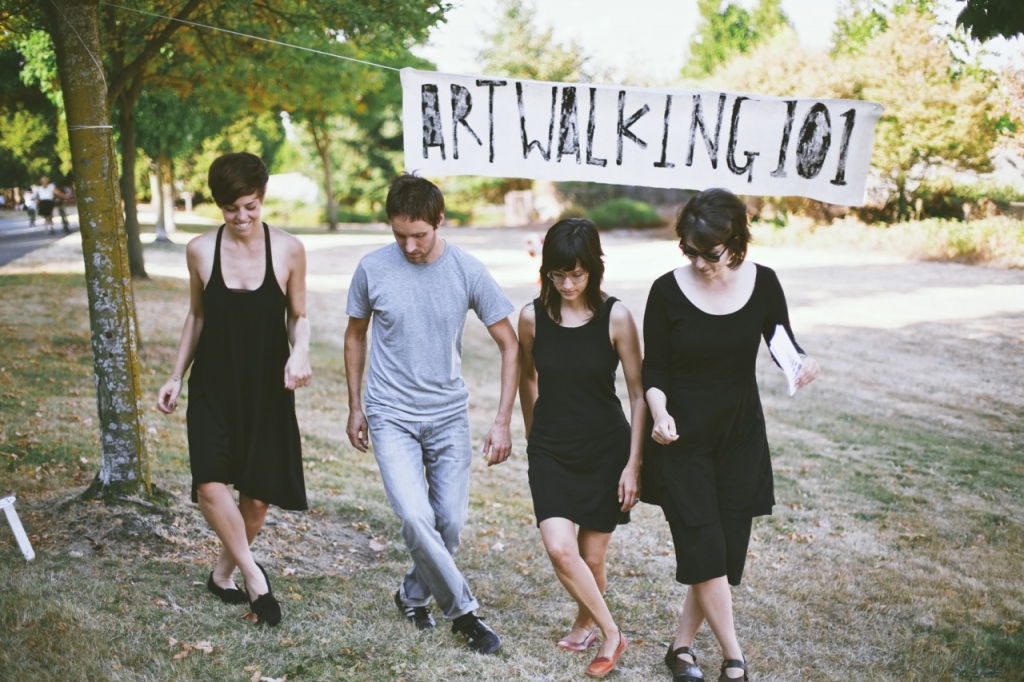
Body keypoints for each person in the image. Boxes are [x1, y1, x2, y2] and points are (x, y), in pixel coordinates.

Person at [641, 188, 821, 682]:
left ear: (736, 241)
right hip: (679, 440)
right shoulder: (665, 290)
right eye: (690, 251)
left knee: (725, 556)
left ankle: (680, 647)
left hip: (740, 436)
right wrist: (659, 412)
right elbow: (652, 367)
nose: (700, 262)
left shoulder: (764, 283)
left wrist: (803, 363)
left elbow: (783, 341)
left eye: (711, 253)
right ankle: (734, 660)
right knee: (703, 547)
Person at [344, 173, 519, 655]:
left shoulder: (468, 269)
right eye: (399, 234)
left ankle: (411, 594)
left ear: (439, 221)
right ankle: (464, 614)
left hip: (447, 416)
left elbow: (510, 344)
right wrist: (356, 405)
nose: (410, 245)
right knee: (417, 518)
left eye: (419, 234)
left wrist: (503, 420)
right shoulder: (372, 268)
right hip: (390, 413)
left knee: (450, 525)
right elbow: (355, 334)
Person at [156, 152, 311, 627]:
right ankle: (254, 578)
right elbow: (197, 316)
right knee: (208, 482)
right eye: (230, 209)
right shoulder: (200, 250)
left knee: (257, 500)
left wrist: (299, 352)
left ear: (262, 198)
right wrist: (175, 375)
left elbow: (299, 316)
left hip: (267, 384)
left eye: (250, 206)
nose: (241, 218)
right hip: (213, 383)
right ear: (218, 206)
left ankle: (223, 574)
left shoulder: (287, 249)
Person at [518, 218, 643, 678]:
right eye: (557, 275)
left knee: (591, 558)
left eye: (577, 274)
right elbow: (527, 377)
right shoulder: (531, 317)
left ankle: (585, 622)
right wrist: (534, 438)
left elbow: (636, 393)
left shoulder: (618, 317)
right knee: (559, 548)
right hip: (551, 448)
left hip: (605, 448)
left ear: (594, 268)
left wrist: (634, 462)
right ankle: (613, 633)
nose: (567, 284)